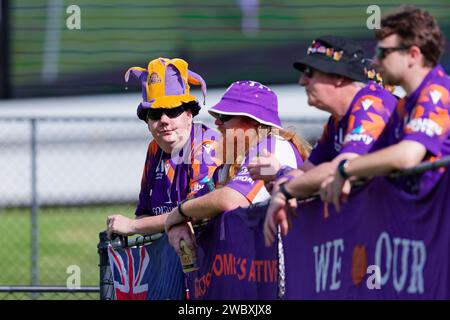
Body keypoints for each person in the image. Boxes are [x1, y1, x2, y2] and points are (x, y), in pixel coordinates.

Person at [259, 36, 398, 247]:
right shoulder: (335, 122)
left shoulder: (371, 103)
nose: (302, 81)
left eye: (310, 73)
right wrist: (282, 181)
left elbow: (343, 167)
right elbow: (306, 172)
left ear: (338, 77)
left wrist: (286, 191)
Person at [320, 6, 450, 210]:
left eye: (383, 52)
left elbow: (406, 157)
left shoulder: (438, 92)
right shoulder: (403, 106)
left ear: (413, 55)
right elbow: (369, 155)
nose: (374, 61)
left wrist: (345, 170)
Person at [163, 80, 311, 254]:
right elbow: (198, 203)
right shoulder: (230, 164)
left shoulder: (270, 147)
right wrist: (178, 221)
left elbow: (230, 200)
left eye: (225, 117)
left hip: (288, 262)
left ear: (254, 121)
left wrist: (180, 212)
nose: (217, 123)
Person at [106, 57, 221, 240]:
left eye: (173, 111)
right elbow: (144, 213)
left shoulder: (206, 144)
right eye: (155, 114)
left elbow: (196, 213)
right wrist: (166, 223)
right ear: (148, 122)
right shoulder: (154, 149)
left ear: (189, 115)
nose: (164, 120)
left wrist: (133, 226)